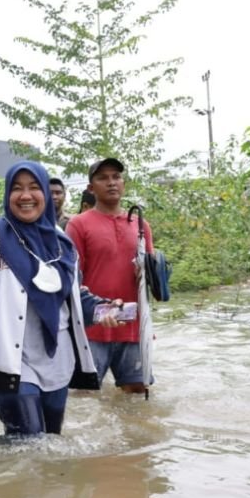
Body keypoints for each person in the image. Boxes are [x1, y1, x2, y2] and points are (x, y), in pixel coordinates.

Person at [0, 161, 121, 440]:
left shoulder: (61, 242)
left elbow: (72, 295)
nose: (26, 196)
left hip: (56, 358)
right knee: (28, 438)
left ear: (45, 192)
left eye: (34, 187)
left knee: (51, 442)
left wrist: (104, 308)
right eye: (17, 188)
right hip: (7, 358)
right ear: (8, 194)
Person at [65, 158, 153, 394]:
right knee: (85, 398)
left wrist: (150, 271)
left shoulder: (141, 225)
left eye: (116, 177)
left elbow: (152, 277)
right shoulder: (78, 225)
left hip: (134, 326)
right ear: (91, 188)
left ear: (123, 183)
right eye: (103, 178)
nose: (111, 182)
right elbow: (71, 279)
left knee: (137, 394)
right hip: (92, 328)